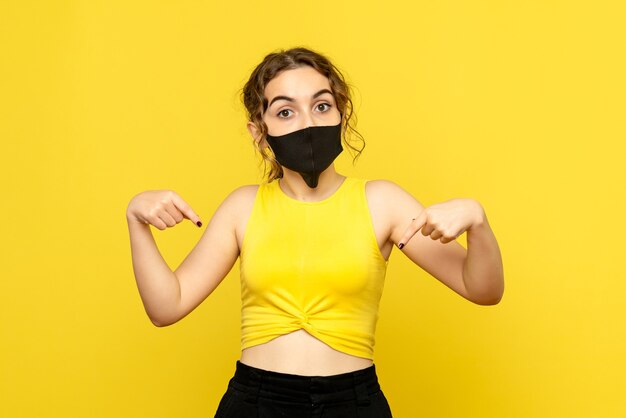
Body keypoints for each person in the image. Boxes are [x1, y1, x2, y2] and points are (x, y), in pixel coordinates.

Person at [125, 47, 504, 417]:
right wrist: (136, 221)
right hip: (257, 402)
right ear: (259, 132)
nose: (307, 123)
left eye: (321, 106)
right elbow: (166, 307)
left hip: (353, 402)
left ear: (341, 113)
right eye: (286, 111)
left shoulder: (383, 202)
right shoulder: (243, 206)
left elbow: (482, 289)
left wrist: (478, 221)